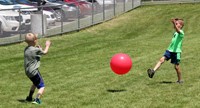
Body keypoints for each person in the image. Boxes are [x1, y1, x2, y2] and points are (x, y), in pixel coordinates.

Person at [147, 18, 185, 83]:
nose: (176, 24)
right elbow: (175, 28)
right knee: (161, 59)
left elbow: (177, 30)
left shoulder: (181, 32)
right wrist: (174, 23)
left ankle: (180, 80)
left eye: (177, 23)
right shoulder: (176, 32)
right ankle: (153, 71)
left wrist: (174, 23)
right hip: (169, 50)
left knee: (176, 67)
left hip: (176, 52)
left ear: (181, 25)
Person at [24, 33, 51, 104]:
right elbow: (45, 52)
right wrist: (47, 45)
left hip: (27, 71)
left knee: (35, 83)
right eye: (36, 39)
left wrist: (39, 49)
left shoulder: (26, 49)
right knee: (42, 86)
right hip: (34, 71)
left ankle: (29, 97)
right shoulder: (35, 50)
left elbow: (34, 54)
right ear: (34, 41)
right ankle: (37, 100)